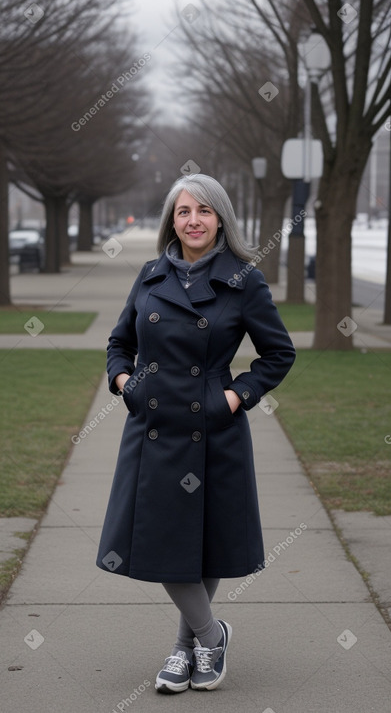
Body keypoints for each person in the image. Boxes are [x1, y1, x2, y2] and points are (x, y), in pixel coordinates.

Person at [96, 173, 296, 694]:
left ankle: (186, 649)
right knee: (164, 537)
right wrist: (127, 384)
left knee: (205, 539)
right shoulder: (150, 274)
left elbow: (279, 353)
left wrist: (234, 397)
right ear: (172, 220)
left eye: (204, 211)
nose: (193, 221)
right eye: (184, 211)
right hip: (154, 428)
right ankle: (210, 635)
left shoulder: (243, 280)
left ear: (221, 219)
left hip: (213, 427)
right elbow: (119, 344)